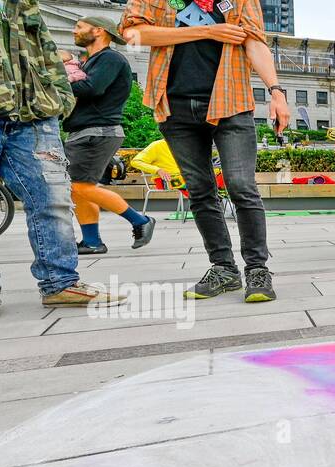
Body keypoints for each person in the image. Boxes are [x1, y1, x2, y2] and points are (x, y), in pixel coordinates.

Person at [0, 0, 124, 320]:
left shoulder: (22, 3)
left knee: (53, 199)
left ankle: (60, 282)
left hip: (34, 115)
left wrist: (60, 97)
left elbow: (46, 49)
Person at [121, 0, 290, 302]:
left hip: (231, 100)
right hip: (174, 105)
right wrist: (207, 31)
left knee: (241, 186)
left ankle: (257, 269)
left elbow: (254, 41)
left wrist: (276, 90)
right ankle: (223, 269)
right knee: (199, 190)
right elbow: (134, 34)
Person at [67, 16, 154, 255]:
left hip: (98, 131)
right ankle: (92, 242)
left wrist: (55, 83)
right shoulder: (92, 61)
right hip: (86, 131)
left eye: (79, 26)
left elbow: (92, 88)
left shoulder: (110, 58)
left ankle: (140, 221)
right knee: (80, 187)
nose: (75, 31)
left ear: (99, 30)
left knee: (77, 186)